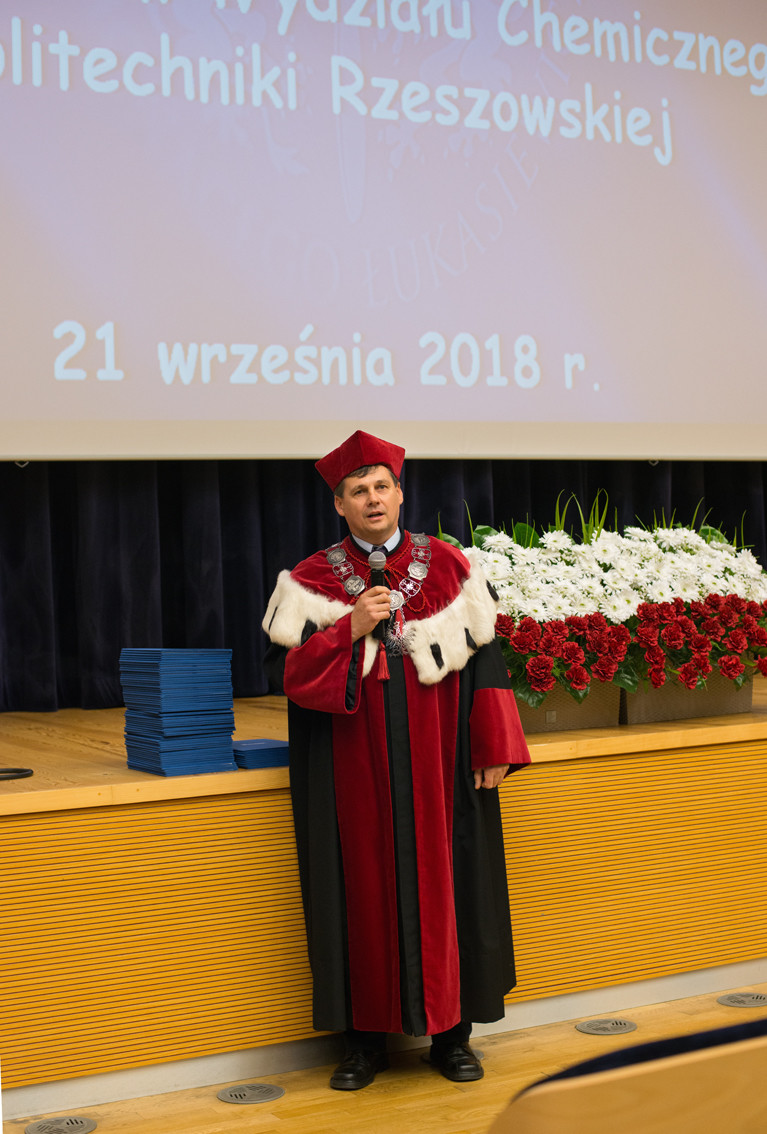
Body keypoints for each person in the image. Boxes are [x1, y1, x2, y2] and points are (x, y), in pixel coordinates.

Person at [263, 430, 530, 1091]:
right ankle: (364, 1045)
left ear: (400, 494)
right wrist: (347, 630)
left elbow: (487, 660)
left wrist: (494, 744)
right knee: (355, 890)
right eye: (358, 491)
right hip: (350, 772)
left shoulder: (450, 567)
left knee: (454, 883)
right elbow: (287, 677)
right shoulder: (310, 581)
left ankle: (452, 1038)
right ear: (339, 505)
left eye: (381, 486)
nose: (372, 498)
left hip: (443, 766)